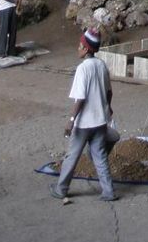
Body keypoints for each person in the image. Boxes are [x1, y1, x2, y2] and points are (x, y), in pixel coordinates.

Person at [49, 28, 117, 202]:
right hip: (100, 121)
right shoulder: (101, 65)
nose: (77, 48)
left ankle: (61, 189)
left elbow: (80, 99)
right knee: (100, 155)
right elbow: (109, 92)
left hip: (84, 124)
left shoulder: (82, 69)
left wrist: (71, 121)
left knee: (72, 156)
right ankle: (108, 191)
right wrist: (107, 107)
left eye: (80, 45)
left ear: (86, 48)